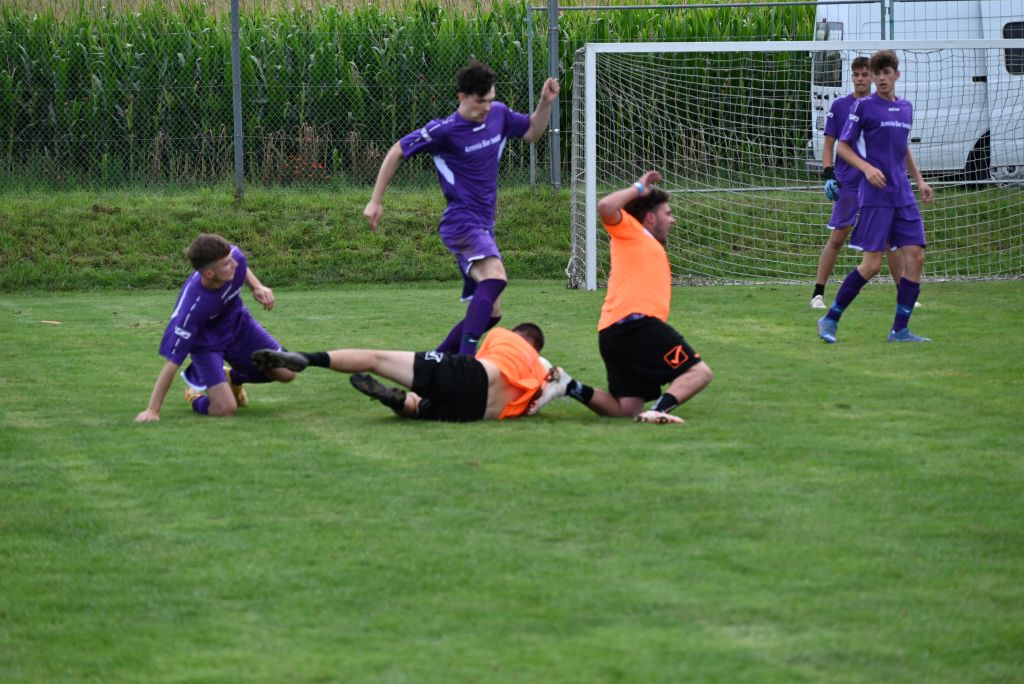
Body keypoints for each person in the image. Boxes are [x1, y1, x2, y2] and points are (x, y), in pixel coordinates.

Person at [363, 59, 559, 356]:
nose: (487, 107)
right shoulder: (444, 131)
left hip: (483, 226)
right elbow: (397, 151)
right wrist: (375, 201)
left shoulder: (499, 115)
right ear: (463, 97)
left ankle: (436, 360)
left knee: (491, 313)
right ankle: (466, 362)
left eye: (491, 100)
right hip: (461, 222)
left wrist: (545, 103)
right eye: (481, 101)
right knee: (495, 278)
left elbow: (533, 132)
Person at [542, 171, 713, 425]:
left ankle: (568, 386)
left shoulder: (645, 243)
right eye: (668, 213)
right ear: (650, 217)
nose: (673, 220)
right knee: (699, 372)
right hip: (637, 325)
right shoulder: (632, 230)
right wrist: (638, 188)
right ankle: (659, 410)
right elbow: (605, 206)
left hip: (613, 332)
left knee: (627, 409)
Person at [818, 50, 934, 344]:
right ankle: (830, 318)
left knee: (916, 256)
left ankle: (900, 330)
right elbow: (843, 147)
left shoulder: (905, 108)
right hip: (876, 195)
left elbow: (902, 148)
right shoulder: (864, 107)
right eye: (877, 73)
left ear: (896, 75)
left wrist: (919, 180)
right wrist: (867, 168)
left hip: (902, 193)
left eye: (886, 73)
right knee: (871, 265)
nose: (881, 78)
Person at [135, 234, 297, 421]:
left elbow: (240, 264)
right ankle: (194, 396)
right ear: (209, 274)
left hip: (238, 325)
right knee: (225, 409)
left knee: (287, 372)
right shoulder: (191, 309)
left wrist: (256, 287)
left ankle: (232, 377)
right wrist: (153, 410)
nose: (234, 264)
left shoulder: (231, 257)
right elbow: (173, 361)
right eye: (227, 263)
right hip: (206, 344)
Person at [251, 323, 553, 422]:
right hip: (474, 413)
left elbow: (471, 340)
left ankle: (307, 358)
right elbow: (562, 389)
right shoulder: (542, 373)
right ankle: (399, 402)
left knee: (375, 359)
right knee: (420, 407)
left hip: (469, 374)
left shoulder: (505, 338)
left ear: (520, 336)